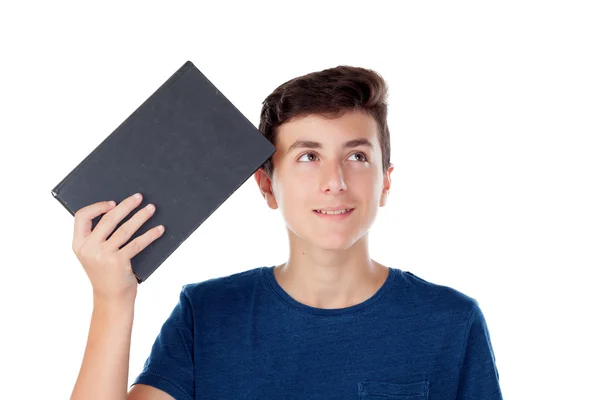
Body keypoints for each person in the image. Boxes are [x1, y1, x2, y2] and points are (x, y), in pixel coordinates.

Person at [70, 65, 503, 400]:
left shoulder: (450, 321)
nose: (334, 181)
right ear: (266, 186)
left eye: (355, 155)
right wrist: (112, 299)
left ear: (385, 181)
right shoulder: (205, 315)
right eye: (308, 157)